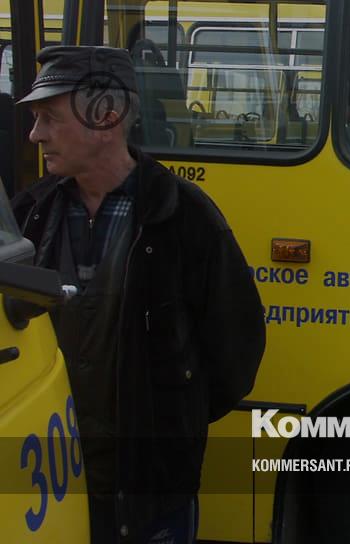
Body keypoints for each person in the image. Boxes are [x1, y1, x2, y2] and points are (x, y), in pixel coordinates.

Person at [12, 46, 266, 543]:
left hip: (150, 498)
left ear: (106, 116)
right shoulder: (30, 214)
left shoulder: (185, 218)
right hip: (51, 490)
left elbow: (235, 351)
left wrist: (170, 426)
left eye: (49, 118)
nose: (34, 134)